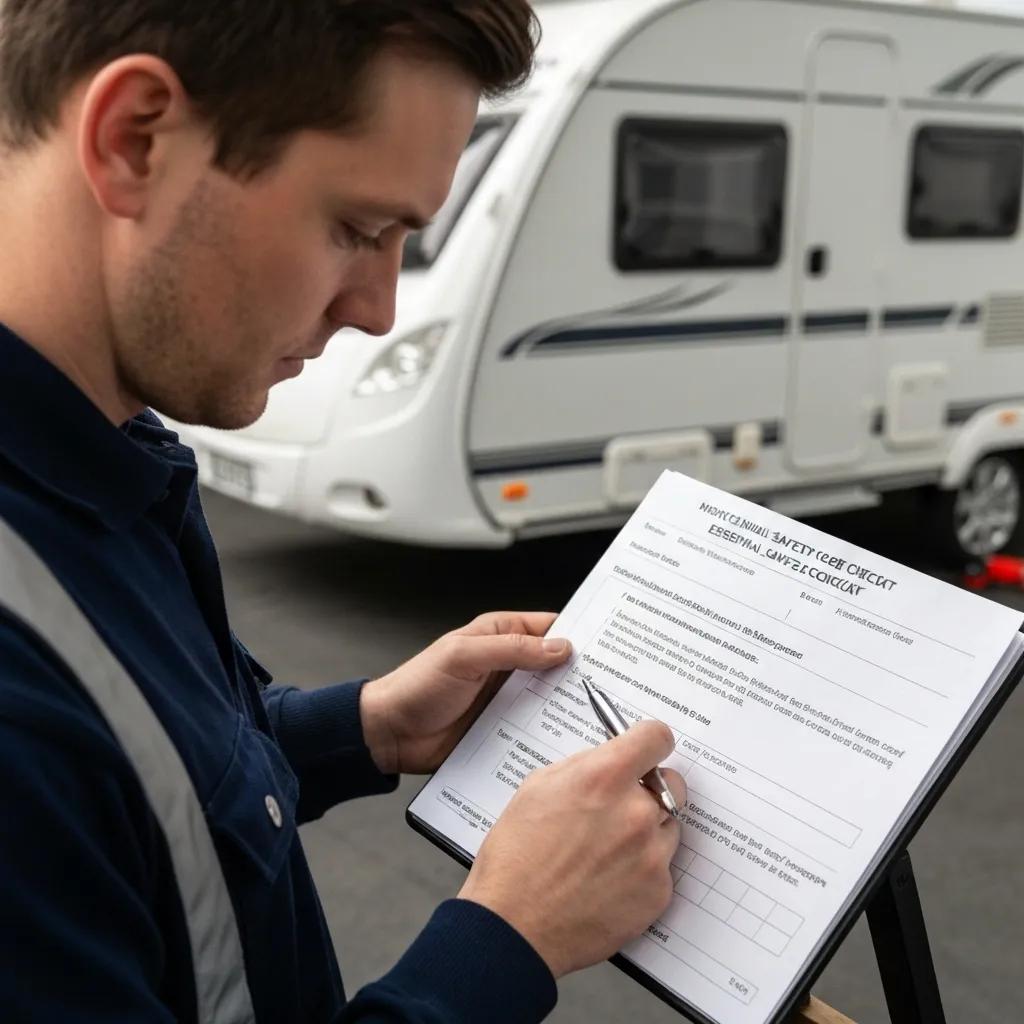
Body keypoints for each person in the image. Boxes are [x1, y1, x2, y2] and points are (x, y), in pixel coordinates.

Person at [0, 2, 687, 1021]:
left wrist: (360, 728)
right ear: (135, 138)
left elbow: (139, 784)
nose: (377, 307)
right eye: (358, 229)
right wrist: (505, 939)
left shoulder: (104, 458)